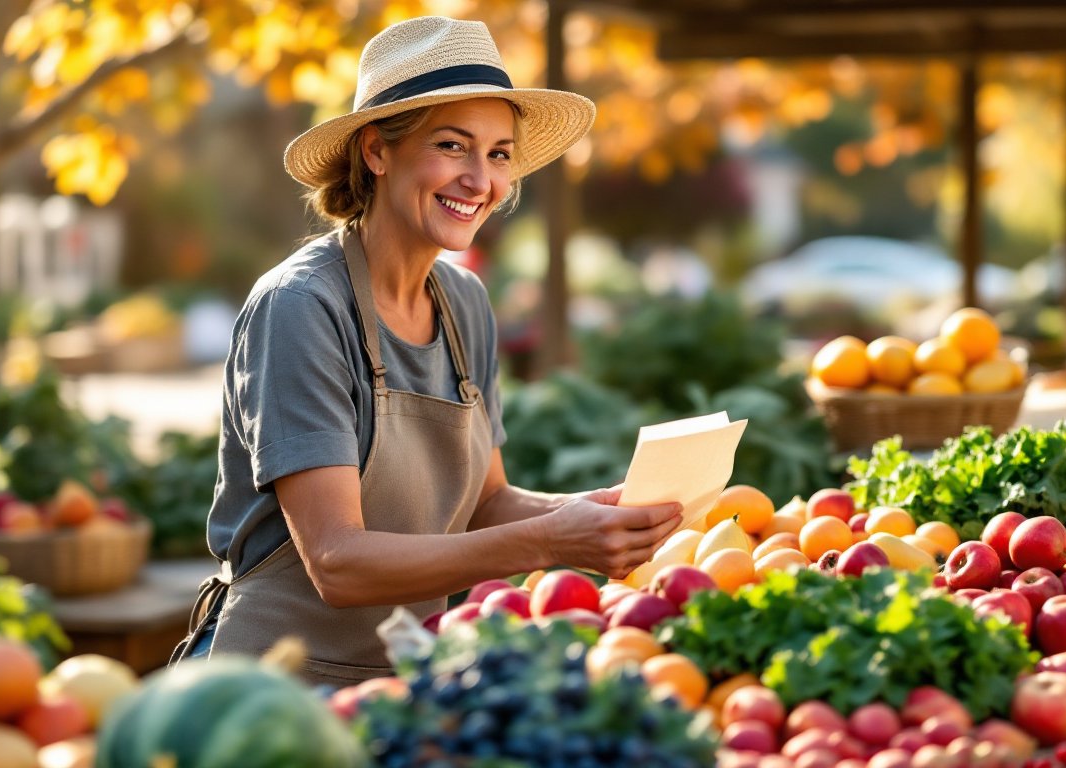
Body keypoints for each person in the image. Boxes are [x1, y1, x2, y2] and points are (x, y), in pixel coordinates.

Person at [171, 16, 683, 686]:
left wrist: (599, 509)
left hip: (408, 678)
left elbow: (487, 504)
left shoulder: (464, 301)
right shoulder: (303, 307)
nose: (480, 180)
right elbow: (336, 561)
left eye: (499, 154)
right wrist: (551, 541)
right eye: (452, 146)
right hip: (274, 687)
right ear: (377, 152)